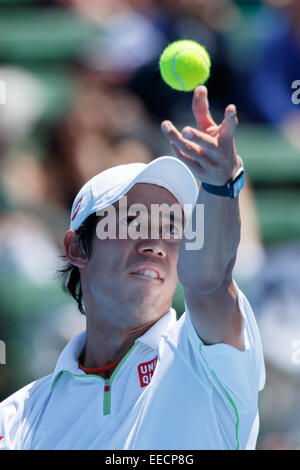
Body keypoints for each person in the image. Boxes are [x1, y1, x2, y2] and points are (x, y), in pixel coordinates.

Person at [0, 86, 265, 450]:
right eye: (132, 221)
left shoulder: (209, 361)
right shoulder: (13, 421)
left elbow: (211, 280)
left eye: (172, 228)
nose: (156, 244)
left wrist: (221, 186)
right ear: (77, 246)